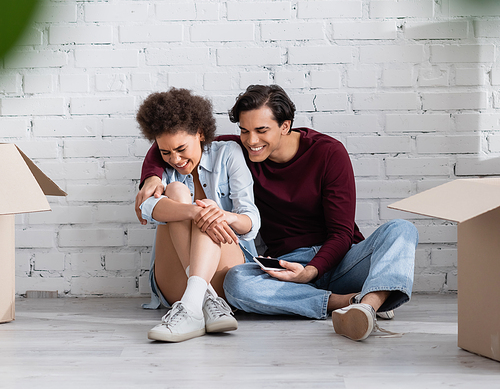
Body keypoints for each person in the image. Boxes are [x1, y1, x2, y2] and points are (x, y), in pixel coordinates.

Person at [136, 85, 418, 342]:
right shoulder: (242, 151)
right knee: (237, 283)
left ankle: (367, 308)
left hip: (342, 259)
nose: (251, 140)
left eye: (261, 130)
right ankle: (349, 302)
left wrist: (310, 271)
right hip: (282, 264)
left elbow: (342, 233)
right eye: (244, 131)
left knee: (402, 230)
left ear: (285, 126)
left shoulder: (328, 152)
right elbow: (178, 142)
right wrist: (151, 175)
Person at [135, 88, 260, 343]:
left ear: (200, 134)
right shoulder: (162, 173)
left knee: (209, 207)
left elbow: (250, 221)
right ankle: (200, 300)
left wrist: (223, 216)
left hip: (228, 270)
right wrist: (193, 211)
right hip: (174, 280)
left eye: (181, 149)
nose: (176, 160)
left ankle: (191, 306)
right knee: (178, 191)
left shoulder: (228, 154)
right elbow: (147, 209)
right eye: (165, 153)